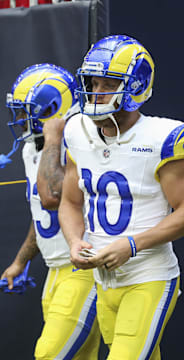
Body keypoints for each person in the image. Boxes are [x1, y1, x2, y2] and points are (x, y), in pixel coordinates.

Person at [58, 34, 184, 359]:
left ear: (135, 86)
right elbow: (69, 201)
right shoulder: (76, 129)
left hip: (148, 275)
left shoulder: (161, 137)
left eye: (107, 84)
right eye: (92, 83)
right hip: (102, 279)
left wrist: (133, 244)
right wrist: (73, 240)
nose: (95, 93)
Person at [1, 63, 100, 359]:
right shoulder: (32, 149)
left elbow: (52, 196)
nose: (21, 120)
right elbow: (41, 216)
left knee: (49, 355)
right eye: (19, 111)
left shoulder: (80, 139)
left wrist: (55, 137)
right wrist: (20, 262)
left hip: (82, 270)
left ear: (55, 108)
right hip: (55, 272)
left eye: (28, 111)